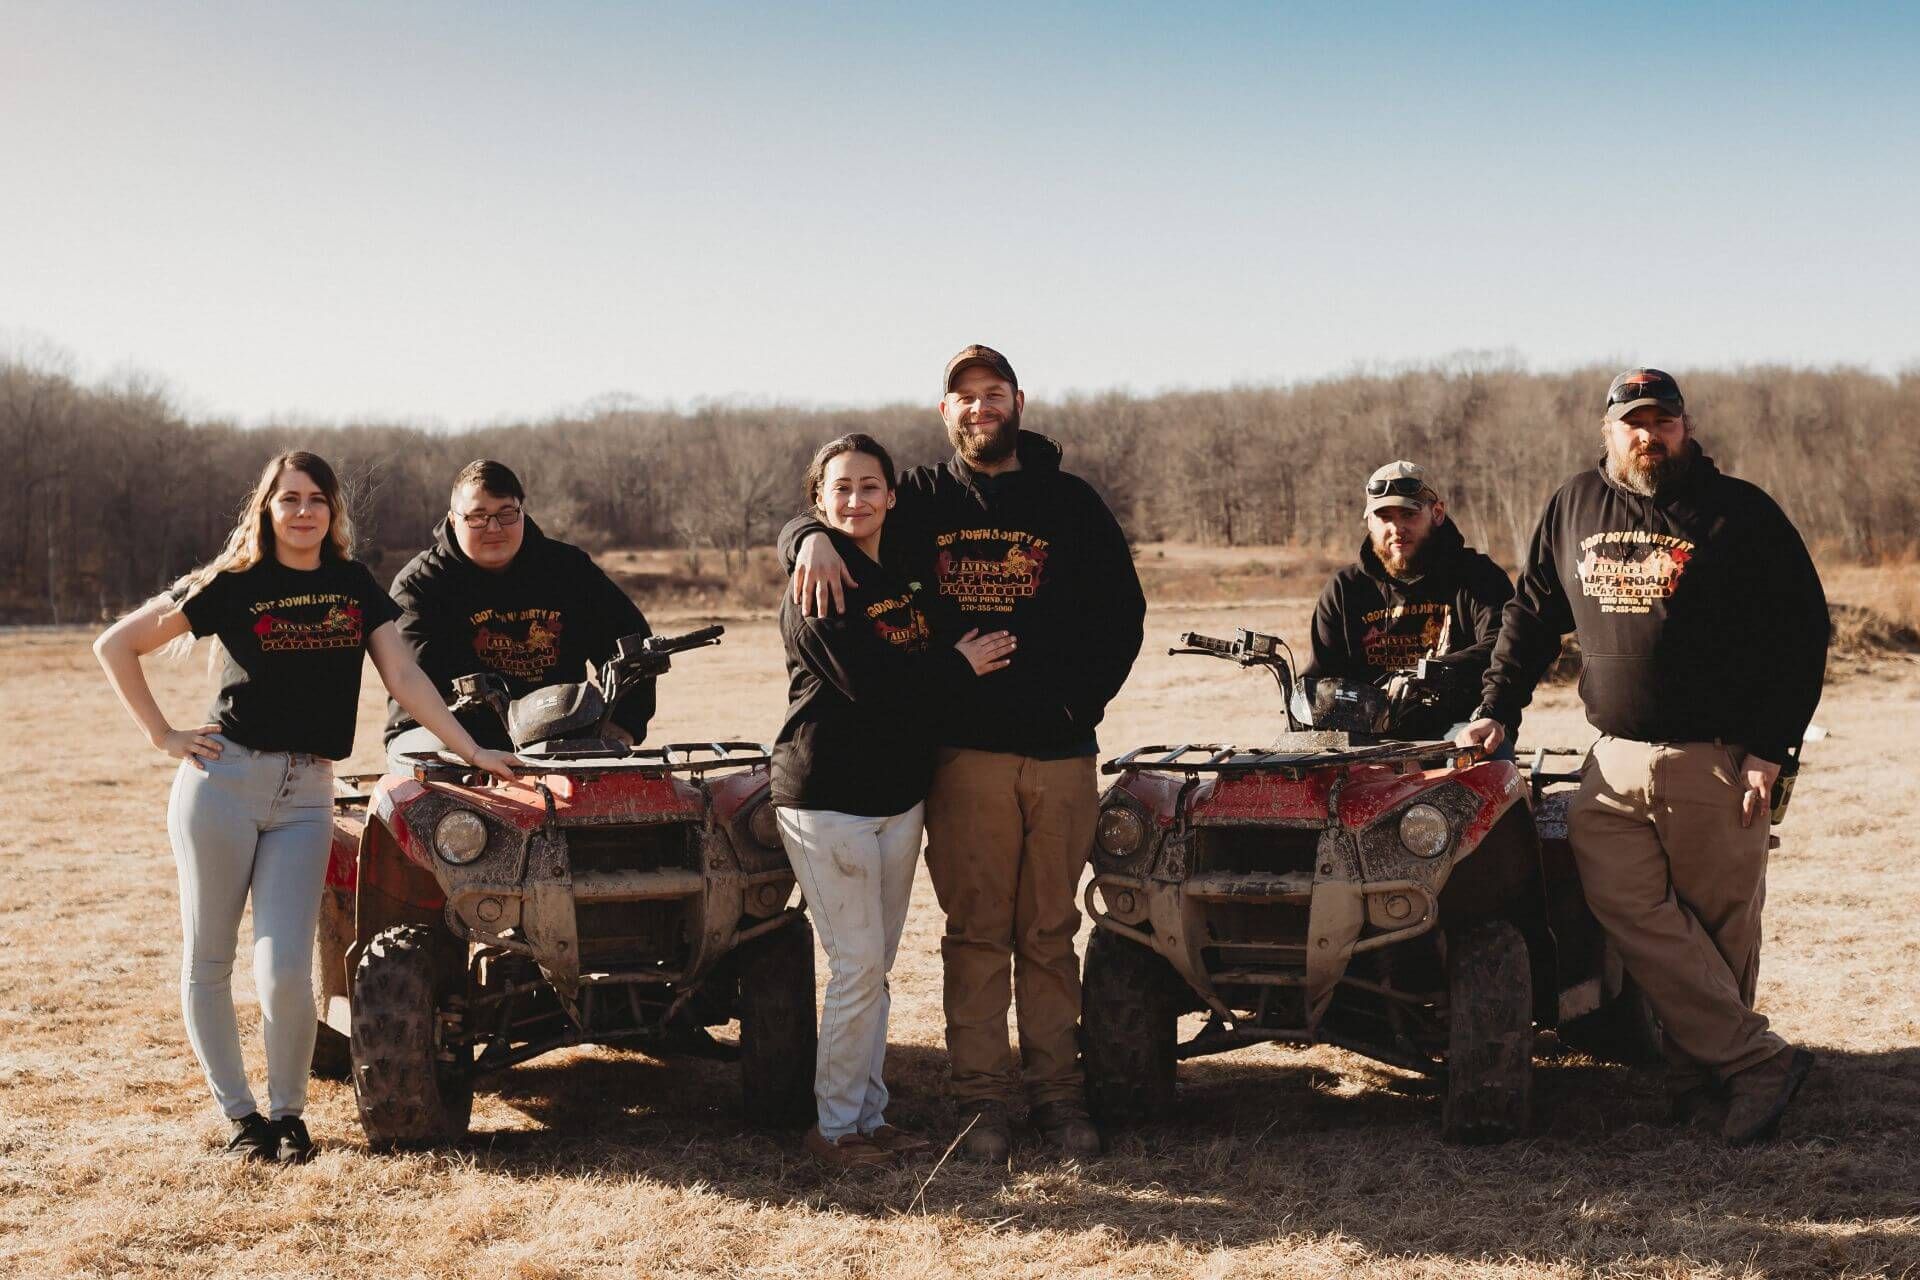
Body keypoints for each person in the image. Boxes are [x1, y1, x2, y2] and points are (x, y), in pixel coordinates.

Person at [94, 451, 519, 1165]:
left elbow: (404, 674)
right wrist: (163, 735)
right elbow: (117, 644)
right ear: (267, 508)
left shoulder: (352, 585)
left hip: (307, 793)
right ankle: (241, 1117)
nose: (302, 511)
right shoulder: (234, 581)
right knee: (210, 959)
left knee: (288, 969)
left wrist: (472, 749)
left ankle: (288, 1116)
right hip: (222, 785)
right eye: (288, 499)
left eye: (316, 498)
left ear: (332, 510)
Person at [785, 344, 1146, 1160]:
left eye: (993, 393)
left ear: (1018, 401)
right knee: (978, 932)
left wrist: (1077, 702)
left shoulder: (1070, 502)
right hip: (963, 754)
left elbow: (1122, 612)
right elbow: (844, 507)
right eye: (964, 397)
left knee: (1050, 931)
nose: (980, 407)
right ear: (944, 412)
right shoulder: (920, 497)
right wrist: (804, 535)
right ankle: (983, 1100)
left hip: (1060, 753)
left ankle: (1058, 1096)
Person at [1454, 369, 1829, 1145]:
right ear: (1609, 431)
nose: (1648, 435)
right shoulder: (1574, 505)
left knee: (1718, 931)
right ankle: (1757, 1061)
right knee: (1623, 907)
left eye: (1662, 420)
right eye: (1633, 422)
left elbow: (1800, 632)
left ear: (1685, 427)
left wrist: (1771, 749)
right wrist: (1496, 708)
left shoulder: (1740, 513)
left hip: (1716, 758)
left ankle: (1703, 1085)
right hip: (1615, 759)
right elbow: (1530, 616)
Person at [773, 433, 1016, 1169]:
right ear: (819, 500)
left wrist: (806, 532)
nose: (856, 500)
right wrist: (958, 666)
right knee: (854, 968)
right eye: (840, 489)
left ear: (891, 495)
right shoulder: (818, 580)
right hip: (829, 798)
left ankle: (870, 1117)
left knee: (874, 969)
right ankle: (833, 1130)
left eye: (870, 486)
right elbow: (870, 685)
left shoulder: (897, 565)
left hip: (896, 798)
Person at [383, 459, 654, 757]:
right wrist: (479, 751)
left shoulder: (568, 569)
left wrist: (624, 721)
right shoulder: (419, 585)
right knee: (446, 758)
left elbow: (631, 641)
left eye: (506, 513)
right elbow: (419, 684)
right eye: (477, 516)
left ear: (522, 512)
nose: (494, 527)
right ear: (453, 520)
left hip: (555, 731)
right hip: (442, 732)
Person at [1301, 460, 1513, 742]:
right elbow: (1319, 680)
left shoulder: (1479, 576)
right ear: (1369, 521)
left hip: (1460, 731)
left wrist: (1431, 673)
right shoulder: (1344, 589)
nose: (1396, 528)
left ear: (1437, 513)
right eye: (1384, 516)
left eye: (1408, 514)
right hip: (1370, 740)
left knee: (1488, 755)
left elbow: (1505, 648)